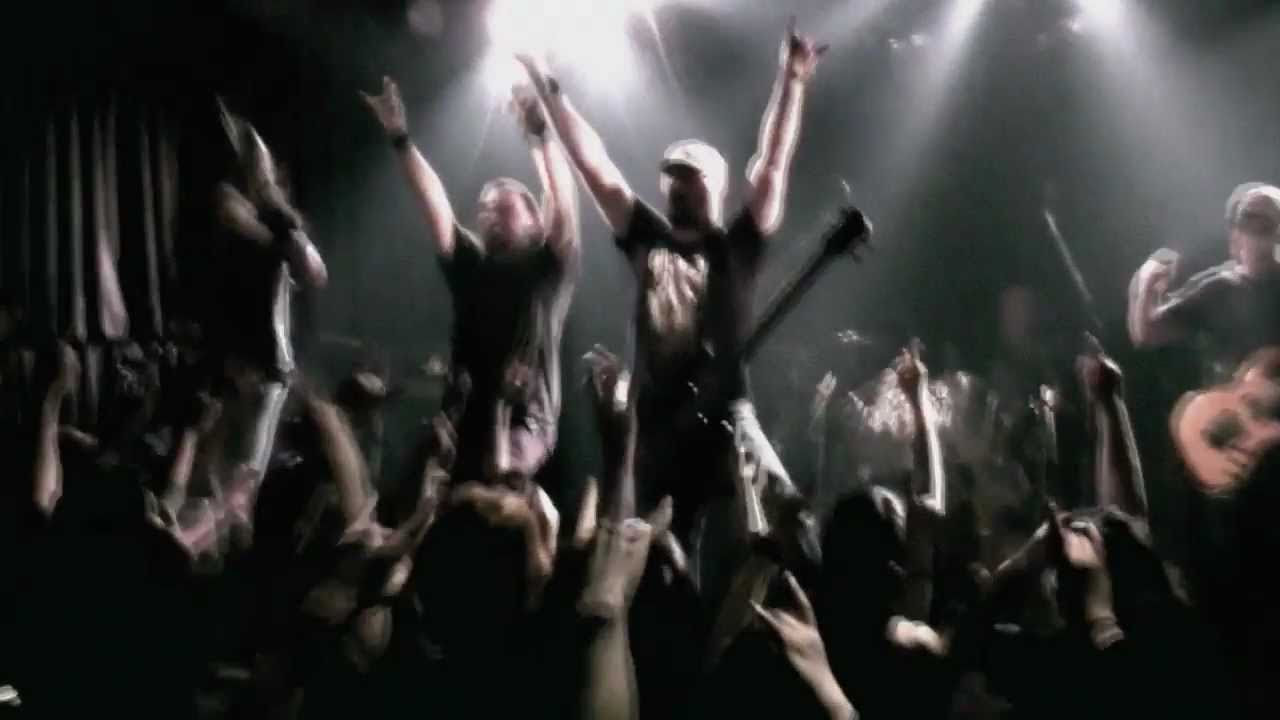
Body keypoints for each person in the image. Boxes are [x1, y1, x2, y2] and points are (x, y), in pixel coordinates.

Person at [516, 19, 827, 581]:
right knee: (664, 555)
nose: (678, 185)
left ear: (715, 185)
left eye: (690, 176)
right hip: (658, 424)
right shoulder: (646, 237)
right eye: (673, 177)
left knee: (786, 517)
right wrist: (545, 80)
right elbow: (593, 163)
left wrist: (792, 81)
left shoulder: (736, 246)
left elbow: (771, 164)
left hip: (729, 414)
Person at [361, 75, 579, 488]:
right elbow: (435, 206)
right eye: (483, 209)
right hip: (464, 418)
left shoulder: (546, 270)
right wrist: (400, 136)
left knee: (499, 483)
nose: (488, 214)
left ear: (533, 221)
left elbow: (562, 202)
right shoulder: (472, 266)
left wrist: (540, 133)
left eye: (502, 207)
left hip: (526, 421)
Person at [1128, 183, 1280, 378]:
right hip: (1232, 395)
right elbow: (1149, 333)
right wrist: (1148, 280)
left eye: (1266, 225)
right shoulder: (1219, 288)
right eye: (1251, 222)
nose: (1258, 234)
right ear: (1237, 233)